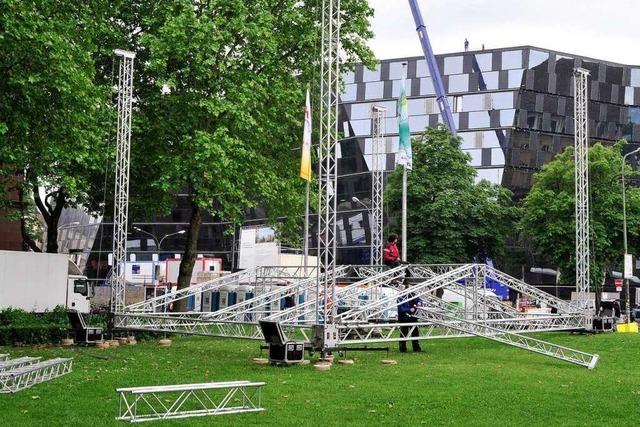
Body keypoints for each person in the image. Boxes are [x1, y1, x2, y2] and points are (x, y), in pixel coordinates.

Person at [397, 284, 422, 353]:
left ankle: (416, 348)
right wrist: (409, 310)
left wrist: (419, 303)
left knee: (415, 332)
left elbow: (419, 300)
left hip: (413, 317)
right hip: (404, 318)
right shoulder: (401, 297)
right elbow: (401, 308)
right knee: (404, 332)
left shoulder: (413, 295)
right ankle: (402, 348)